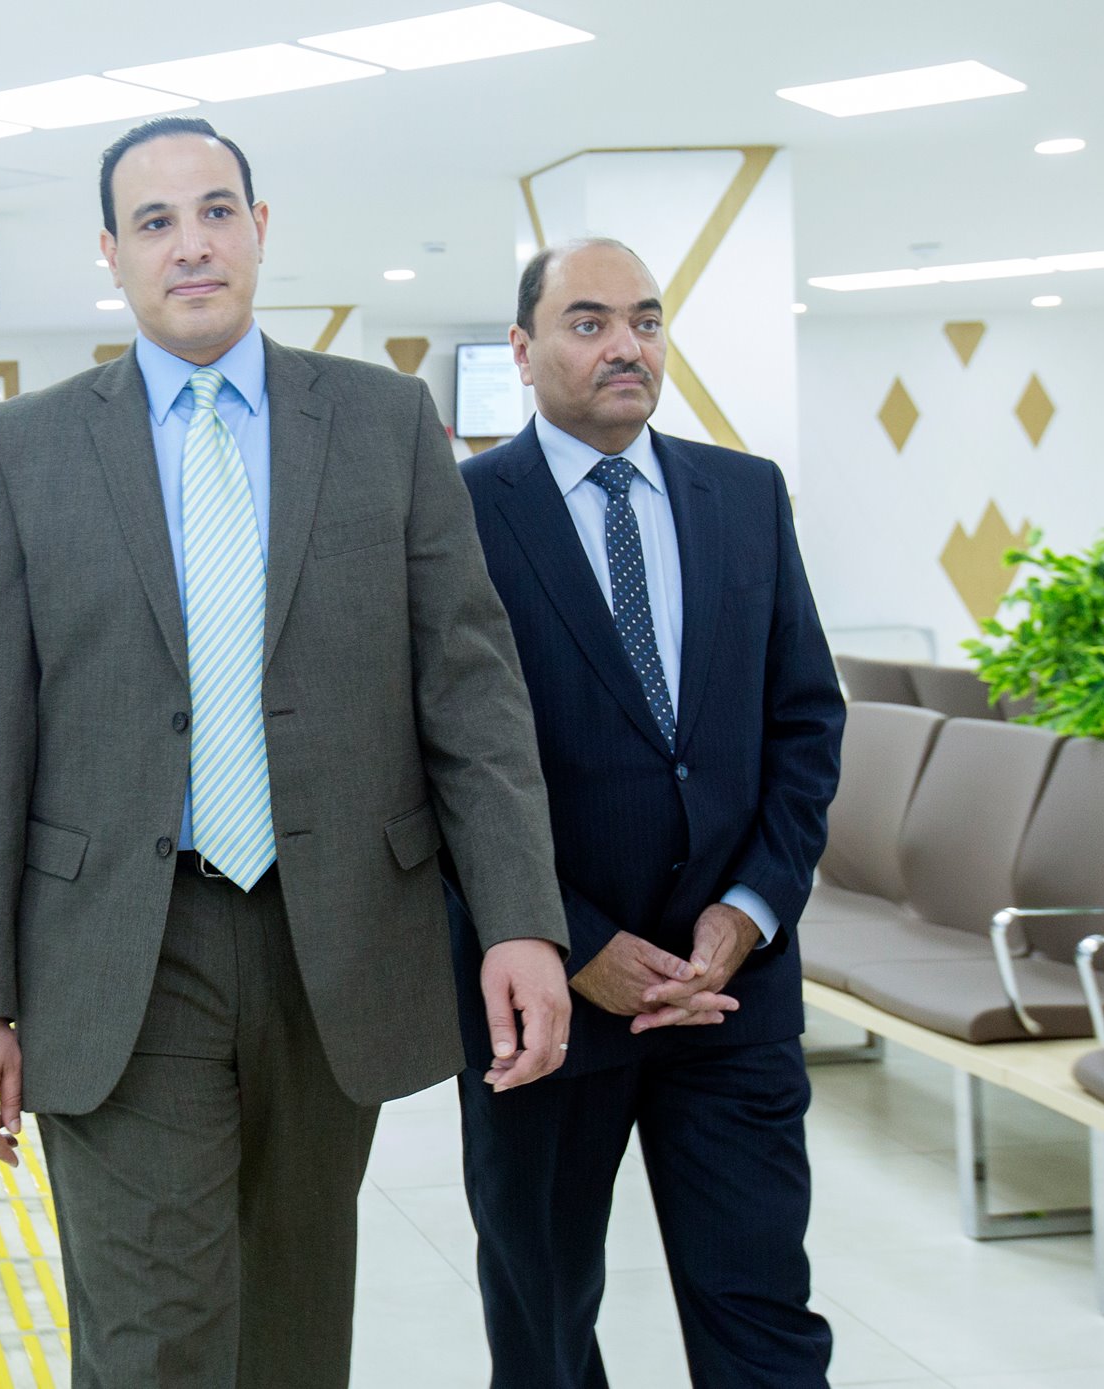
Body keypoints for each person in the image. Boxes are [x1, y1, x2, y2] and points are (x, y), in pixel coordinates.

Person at [0, 116, 573, 1389]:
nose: (190, 244)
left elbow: (469, 695)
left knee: (291, 1322)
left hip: (333, 941)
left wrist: (519, 921)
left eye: (216, 211)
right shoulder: (31, 450)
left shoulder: (383, 423)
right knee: (154, 1336)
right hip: (120, 948)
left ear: (260, 230)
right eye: (154, 222)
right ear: (110, 252)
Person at [454, 237, 844, 1387]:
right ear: (521, 350)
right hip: (543, 1002)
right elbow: (427, 769)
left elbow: (803, 724)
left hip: (728, 996)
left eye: (644, 319)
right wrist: (568, 939)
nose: (624, 345)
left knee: (761, 1315)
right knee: (542, 1324)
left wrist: (749, 908)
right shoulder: (457, 515)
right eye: (586, 322)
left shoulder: (744, 496)